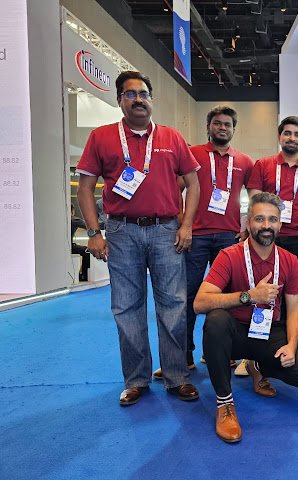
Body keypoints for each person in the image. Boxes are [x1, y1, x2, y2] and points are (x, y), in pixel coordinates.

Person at [76, 71, 200, 406]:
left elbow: (194, 184)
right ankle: (136, 379)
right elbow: (85, 188)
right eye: (130, 94)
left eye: (143, 93)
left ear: (151, 100)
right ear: (120, 100)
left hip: (166, 231)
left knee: (173, 304)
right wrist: (94, 233)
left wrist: (187, 225)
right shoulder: (102, 137)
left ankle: (176, 376)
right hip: (121, 231)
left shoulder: (172, 137)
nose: (138, 99)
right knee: (127, 306)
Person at [194, 192, 298, 443]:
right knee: (216, 320)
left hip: (269, 331)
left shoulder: (289, 260)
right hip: (236, 333)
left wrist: (291, 344)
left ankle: (257, 367)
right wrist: (248, 296)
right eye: (259, 219)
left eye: (272, 219)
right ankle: (225, 403)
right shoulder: (229, 255)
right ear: (248, 222)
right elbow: (200, 303)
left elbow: (295, 307)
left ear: (280, 224)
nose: (266, 225)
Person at [151, 106, 253, 380]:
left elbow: (254, 196)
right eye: (217, 123)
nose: (222, 128)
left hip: (229, 238)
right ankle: (182, 356)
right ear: (208, 127)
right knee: (186, 297)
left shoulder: (244, 161)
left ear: (234, 129)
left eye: (227, 124)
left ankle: (219, 351)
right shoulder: (192, 154)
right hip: (194, 238)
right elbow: (175, 188)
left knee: (225, 298)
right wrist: (183, 221)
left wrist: (246, 227)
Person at [246, 116, 298, 283]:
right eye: (287, 133)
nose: (292, 138)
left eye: (297, 135)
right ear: (279, 137)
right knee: (263, 284)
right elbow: (254, 204)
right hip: (266, 234)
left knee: (293, 286)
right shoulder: (263, 165)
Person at [70, 204, 90, 282]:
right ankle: (84, 275)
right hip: (70, 247)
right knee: (87, 251)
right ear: (72, 210)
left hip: (61, 247)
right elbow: (88, 225)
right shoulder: (74, 220)